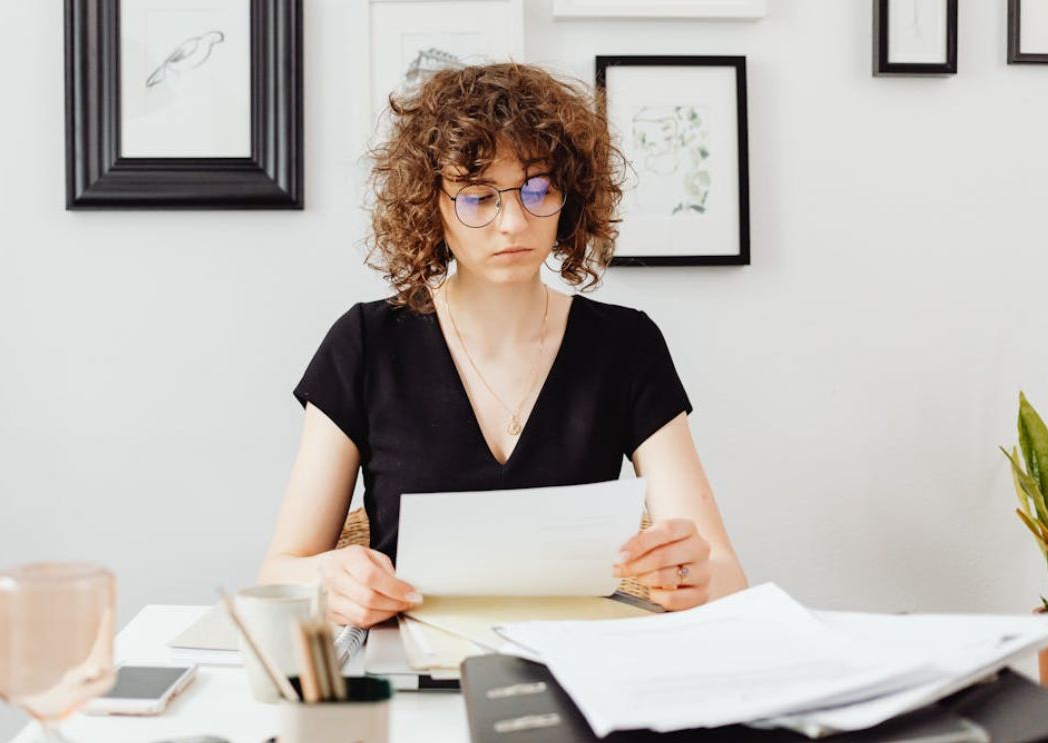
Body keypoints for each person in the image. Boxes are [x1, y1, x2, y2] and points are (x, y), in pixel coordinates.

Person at [259, 63, 747, 628]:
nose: (513, 222)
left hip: (577, 661)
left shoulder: (626, 344)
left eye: (537, 189)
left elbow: (727, 575)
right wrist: (329, 580)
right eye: (477, 196)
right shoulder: (365, 342)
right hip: (407, 657)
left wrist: (694, 575)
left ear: (570, 195)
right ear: (431, 206)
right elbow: (279, 572)